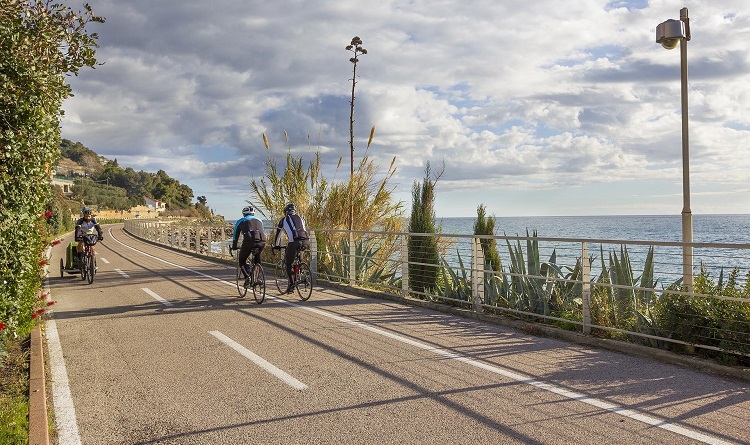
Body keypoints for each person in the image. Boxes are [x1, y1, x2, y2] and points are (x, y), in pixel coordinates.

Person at [272, 203, 310, 293]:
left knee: (288, 263)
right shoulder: (301, 218)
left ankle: (292, 284)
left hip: (294, 242)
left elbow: (278, 235)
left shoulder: (283, 220)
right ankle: (302, 271)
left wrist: (276, 245)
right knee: (299, 259)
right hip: (306, 241)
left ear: (286, 212)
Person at [232, 206, 267, 285]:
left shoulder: (240, 221)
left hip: (249, 241)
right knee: (258, 257)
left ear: (244, 214)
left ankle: (247, 277)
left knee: (242, 260)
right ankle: (258, 277)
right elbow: (262, 230)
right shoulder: (259, 220)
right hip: (262, 241)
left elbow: (235, 235)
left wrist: (234, 246)